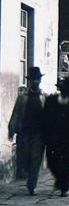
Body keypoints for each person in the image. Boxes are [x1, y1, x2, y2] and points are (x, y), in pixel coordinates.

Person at [42, 76, 69, 197]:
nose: (65, 92)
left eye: (68, 90)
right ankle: (59, 179)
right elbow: (45, 118)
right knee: (52, 161)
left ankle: (65, 187)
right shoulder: (51, 101)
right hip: (53, 137)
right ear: (60, 89)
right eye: (63, 89)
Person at [8, 67, 47, 195]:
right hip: (24, 132)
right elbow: (16, 113)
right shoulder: (23, 97)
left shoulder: (44, 97)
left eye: (37, 80)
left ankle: (32, 184)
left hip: (39, 133)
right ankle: (28, 175)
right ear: (29, 81)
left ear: (40, 81)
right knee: (24, 157)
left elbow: (49, 116)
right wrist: (12, 129)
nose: (34, 82)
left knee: (36, 158)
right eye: (32, 80)